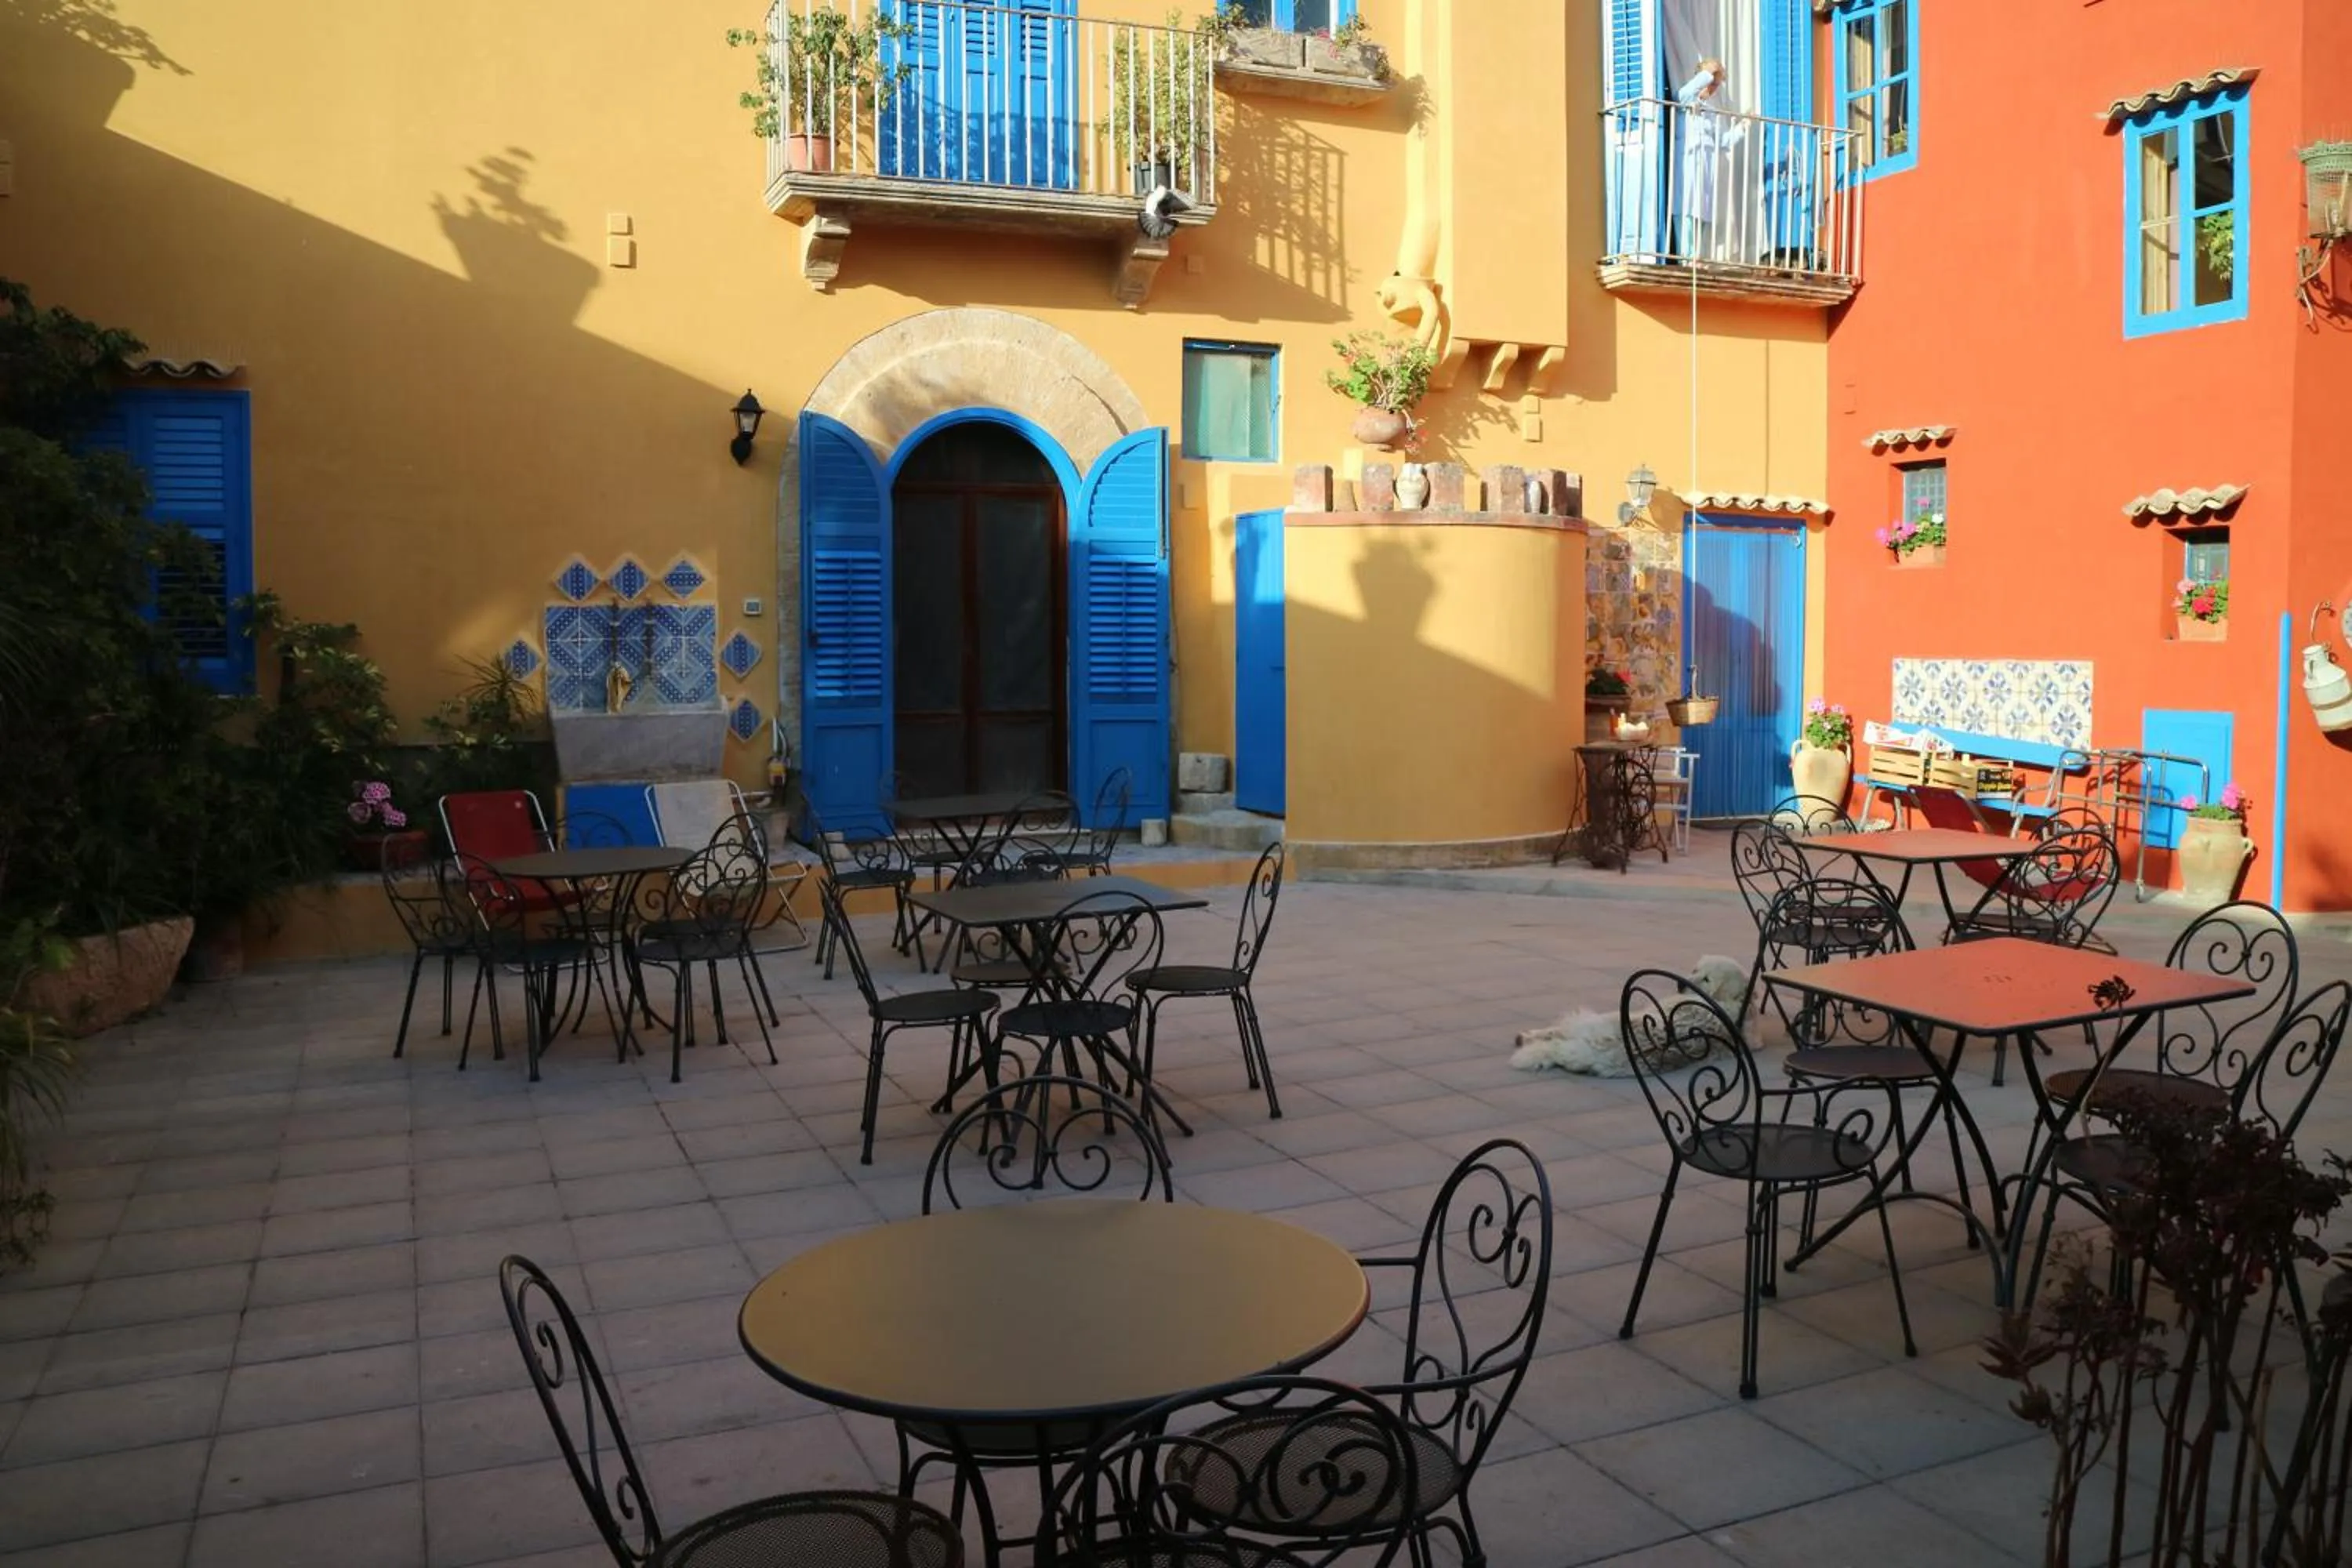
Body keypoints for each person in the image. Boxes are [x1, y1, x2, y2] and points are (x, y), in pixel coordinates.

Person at [1673, 57, 1744, 261]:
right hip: (1688, 157)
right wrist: (1709, 73)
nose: (1713, 87)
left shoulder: (1711, 110)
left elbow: (1723, 140)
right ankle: (1686, 258)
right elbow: (1687, 92)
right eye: (1711, 82)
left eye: (1716, 84)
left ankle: (1696, 256)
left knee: (1702, 209)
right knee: (1686, 206)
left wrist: (1743, 126)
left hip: (1707, 161)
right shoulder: (1685, 97)